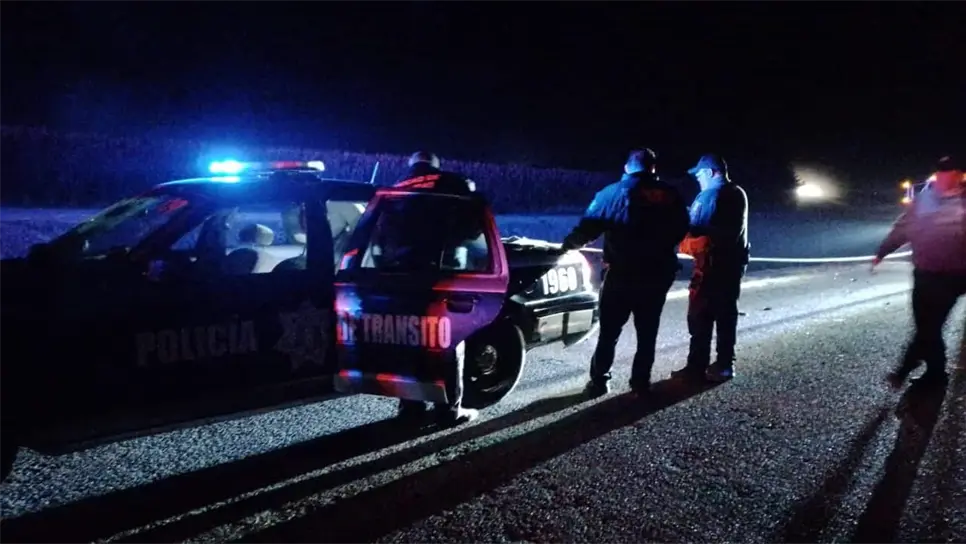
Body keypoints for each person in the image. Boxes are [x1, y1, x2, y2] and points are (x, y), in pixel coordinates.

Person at [561, 148, 690, 396]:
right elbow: (683, 228)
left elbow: (587, 229)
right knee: (647, 332)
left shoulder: (612, 193)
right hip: (656, 275)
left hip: (622, 274)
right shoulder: (670, 195)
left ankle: (599, 381)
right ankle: (640, 383)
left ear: (627, 167)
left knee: (609, 332)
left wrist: (567, 246)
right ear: (653, 168)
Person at [394, 151, 479, 425]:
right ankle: (448, 410)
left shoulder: (397, 187)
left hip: (403, 275)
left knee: (410, 341)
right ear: (436, 165)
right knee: (448, 340)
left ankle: (410, 408)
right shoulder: (454, 184)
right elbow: (474, 227)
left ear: (412, 165)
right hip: (444, 274)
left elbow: (384, 234)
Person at [875, 155, 966, 390]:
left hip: (953, 276)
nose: (945, 177)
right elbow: (903, 227)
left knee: (930, 326)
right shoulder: (924, 200)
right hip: (924, 273)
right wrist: (882, 252)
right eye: (941, 172)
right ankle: (935, 372)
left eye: (950, 172)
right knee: (925, 326)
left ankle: (904, 370)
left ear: (959, 175)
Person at [671, 153, 749, 383]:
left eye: (699, 175)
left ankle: (701, 367)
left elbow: (699, 233)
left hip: (713, 266)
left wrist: (684, 241)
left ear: (710, 172)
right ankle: (720, 365)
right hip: (727, 265)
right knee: (721, 316)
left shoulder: (714, 195)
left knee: (704, 317)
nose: (697, 179)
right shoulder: (733, 192)